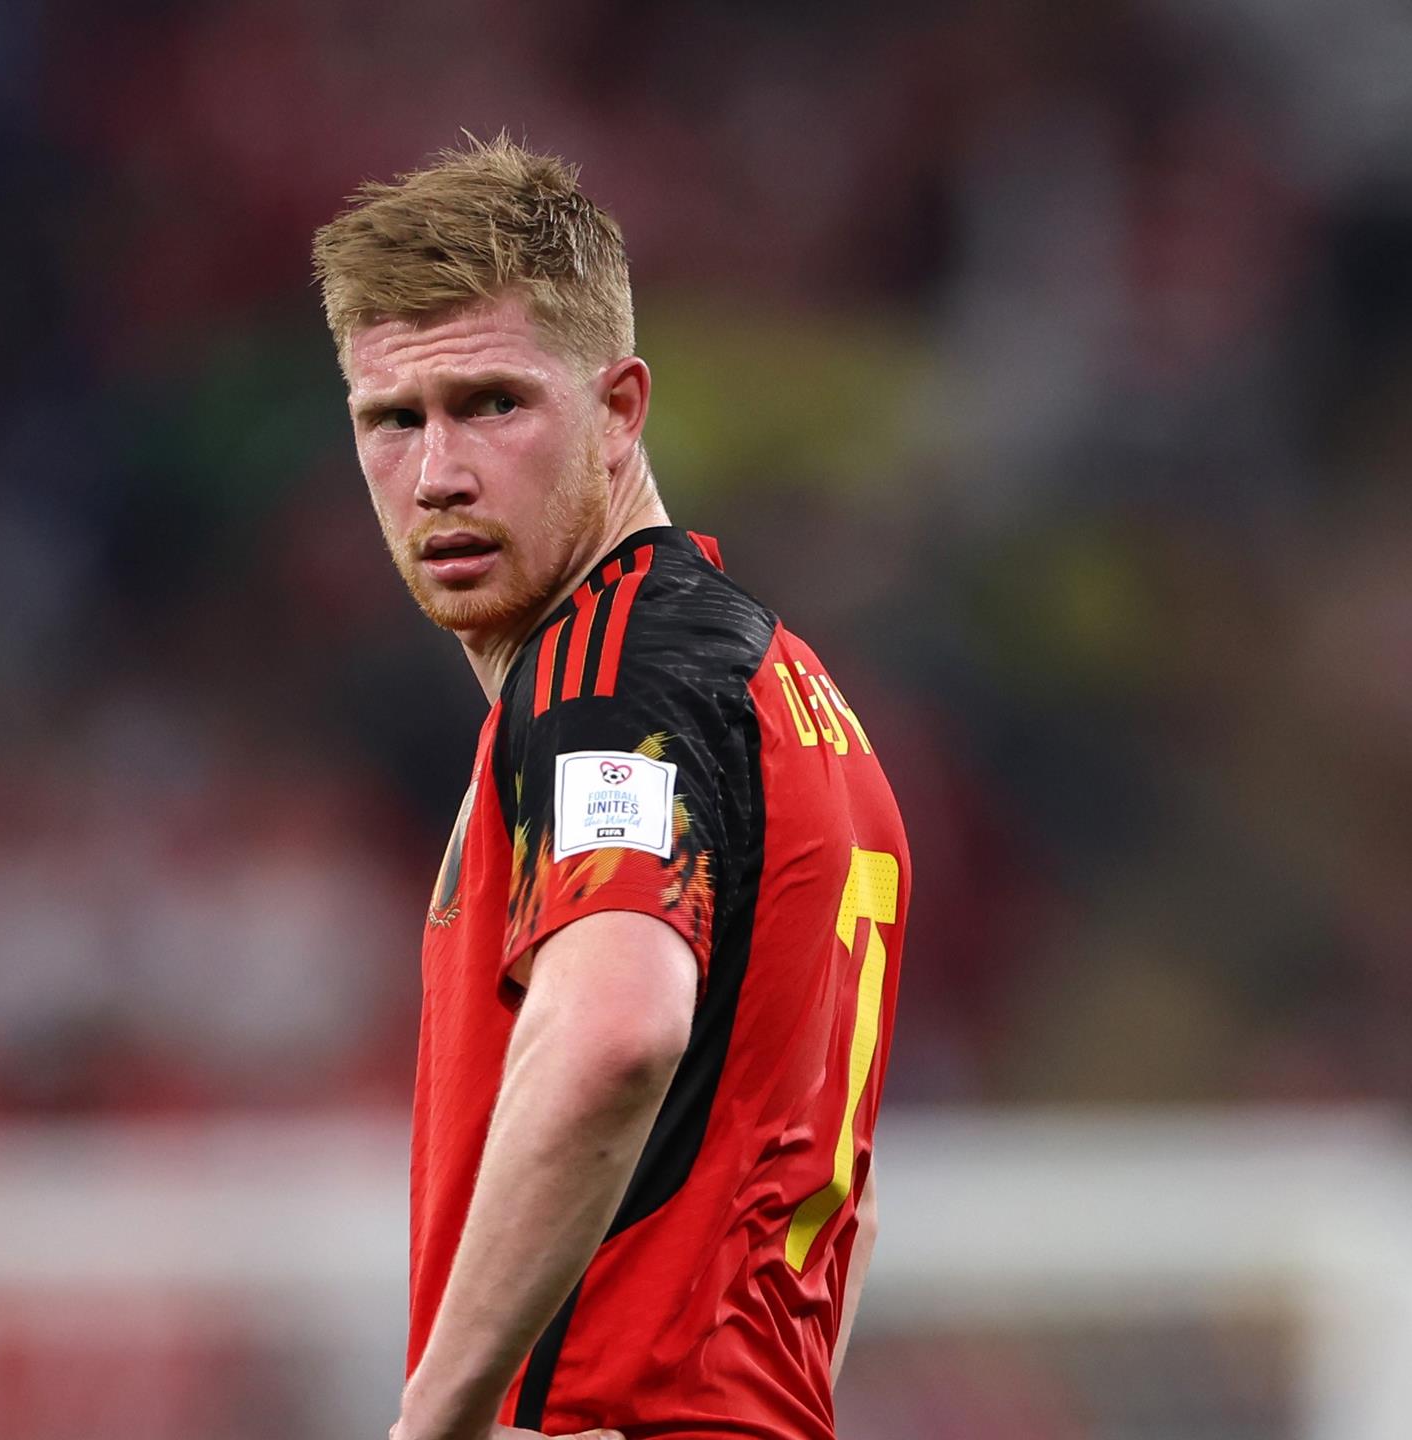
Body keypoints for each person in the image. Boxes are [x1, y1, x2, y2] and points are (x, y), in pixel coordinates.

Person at [311, 137, 912, 1440]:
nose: (439, 474)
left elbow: (615, 1030)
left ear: (622, 408)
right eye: (393, 420)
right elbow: (843, 1207)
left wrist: (437, 1424)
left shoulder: (610, 678)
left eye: (492, 403)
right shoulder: (787, 693)